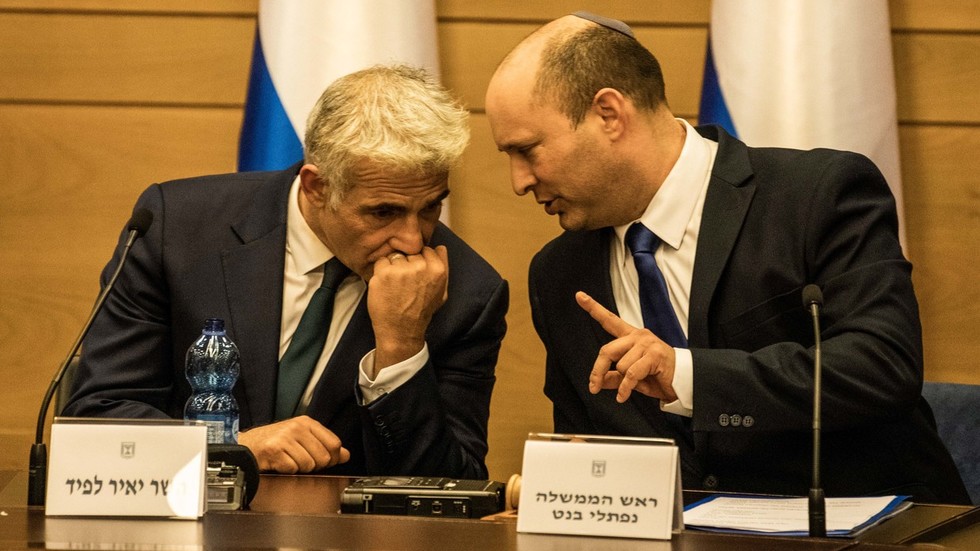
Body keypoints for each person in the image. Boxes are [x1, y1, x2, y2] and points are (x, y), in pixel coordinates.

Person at [484, 12, 969, 503]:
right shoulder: (559, 273)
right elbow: (591, 450)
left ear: (609, 114)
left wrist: (687, 375)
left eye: (527, 150)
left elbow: (881, 367)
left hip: (872, 524)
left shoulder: (818, 196)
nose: (519, 182)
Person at [64, 65, 509, 479]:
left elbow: (451, 484)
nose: (413, 240)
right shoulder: (178, 230)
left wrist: (401, 347)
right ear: (317, 187)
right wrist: (234, 448)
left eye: (430, 208)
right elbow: (99, 418)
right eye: (383, 212)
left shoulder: (468, 293)